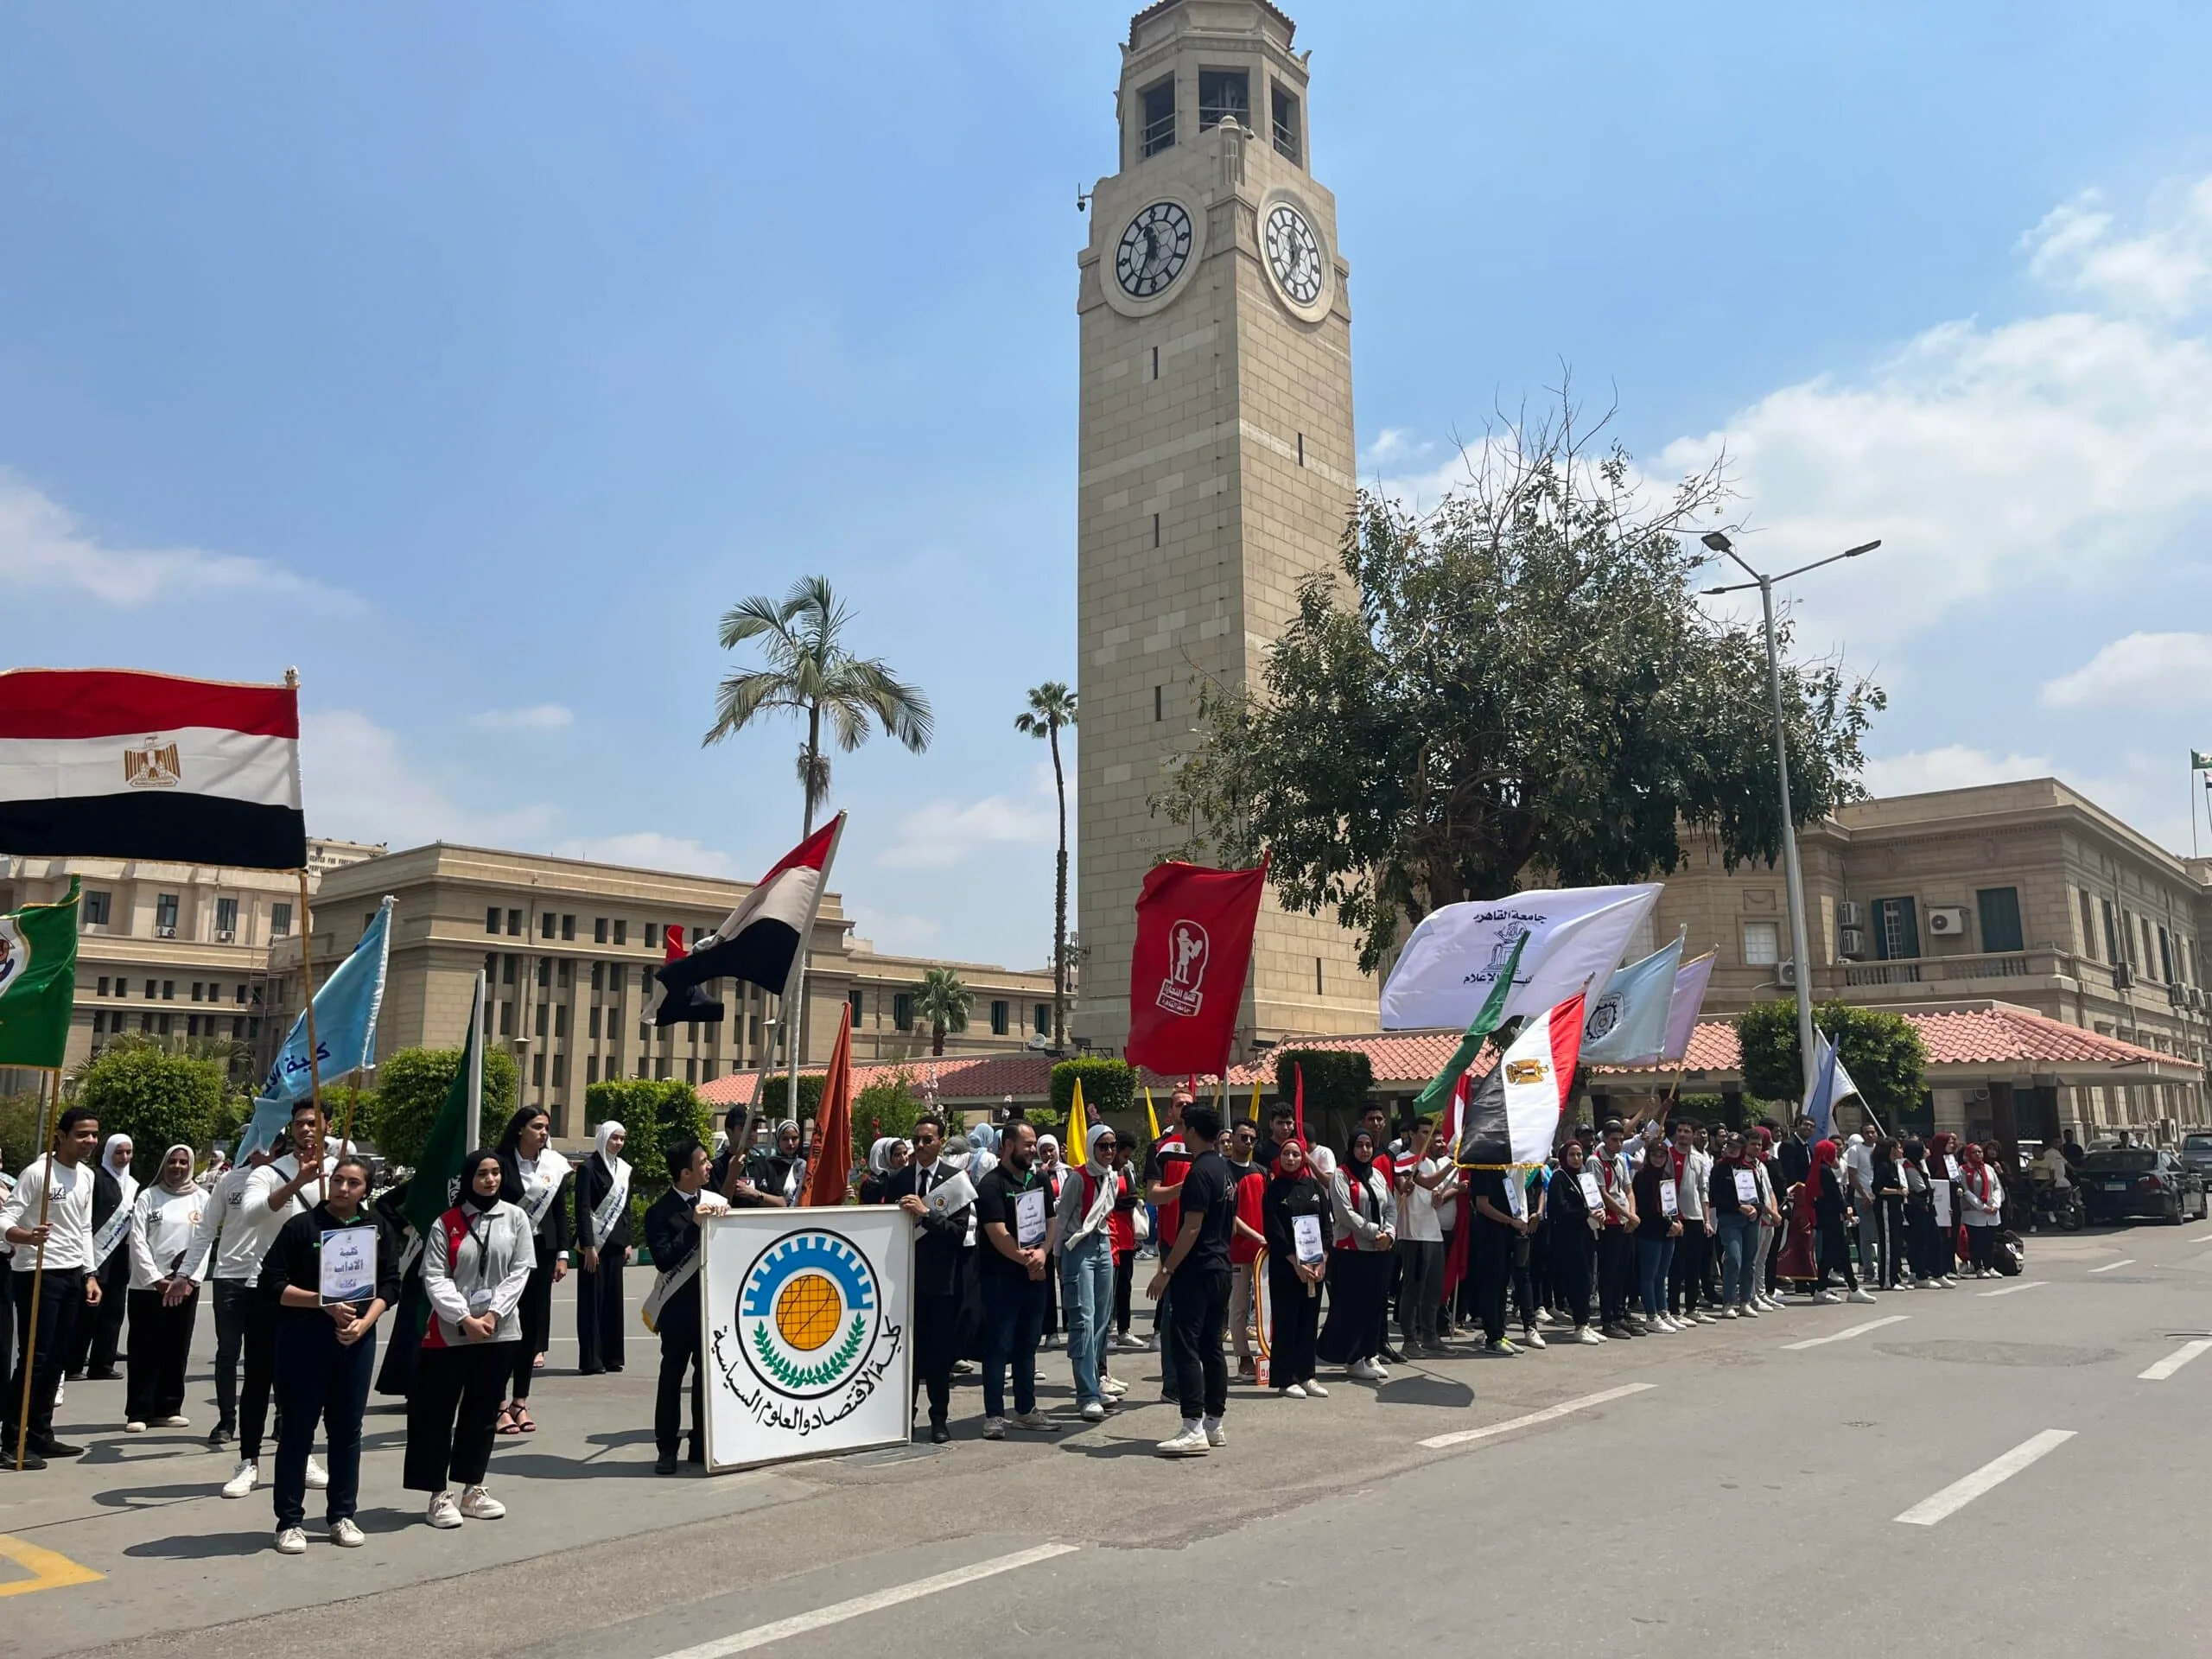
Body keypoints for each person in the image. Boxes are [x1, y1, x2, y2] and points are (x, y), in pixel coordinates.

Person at [258, 1154, 399, 1554]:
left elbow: (391, 1284)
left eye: (353, 1183)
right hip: (303, 1344)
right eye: (338, 1180)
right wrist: (323, 1303)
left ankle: (341, 1515)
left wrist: (363, 1323)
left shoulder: (376, 1229)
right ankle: (289, 1521)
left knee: (347, 1432)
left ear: (365, 1190)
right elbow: (272, 1284)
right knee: (298, 1433)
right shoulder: (302, 1227)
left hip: (354, 1343)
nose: (343, 1188)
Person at [212, 1103, 340, 1498]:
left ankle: (301, 1455)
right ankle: (248, 1460)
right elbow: (250, 1215)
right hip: (271, 1289)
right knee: (259, 1379)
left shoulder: (338, 1171)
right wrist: (296, 1183)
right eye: (300, 1123)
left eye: (313, 1124)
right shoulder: (267, 1173)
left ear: (327, 1128)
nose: (306, 1130)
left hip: (321, 1294)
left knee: (304, 1383)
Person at [409, 1148, 533, 1529]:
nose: (491, 1180)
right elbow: (434, 1277)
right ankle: (437, 1495)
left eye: (496, 1173)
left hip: (499, 1331)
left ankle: (472, 1488)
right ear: (468, 1180)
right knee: (436, 1413)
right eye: (482, 1174)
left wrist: (493, 1315)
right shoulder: (446, 1223)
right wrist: (464, 1317)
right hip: (450, 1334)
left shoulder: (516, 1218)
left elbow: (520, 1270)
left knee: (481, 1414)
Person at [1, 1107, 105, 1469]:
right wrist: (26, 1237)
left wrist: (90, 1274)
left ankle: (41, 1435)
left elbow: (83, 1228)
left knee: (59, 1360)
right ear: (60, 1136)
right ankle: (11, 1440)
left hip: (72, 1274)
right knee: (36, 1359)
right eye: (81, 1134)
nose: (89, 1141)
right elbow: (4, 1218)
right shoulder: (37, 1173)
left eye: (93, 1135)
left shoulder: (88, 1177)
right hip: (37, 1272)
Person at [1147, 1104, 1235, 1457]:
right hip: (1220, 1268)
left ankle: (1193, 1424)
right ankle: (1214, 1423)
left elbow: (1192, 1226)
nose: (1181, 1133)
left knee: (1185, 1346)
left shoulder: (1200, 1171)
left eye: (1185, 1127)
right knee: (1212, 1348)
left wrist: (1166, 1270)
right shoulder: (1224, 1169)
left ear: (1195, 1131)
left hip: (1197, 1270)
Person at [881, 1113, 974, 1443]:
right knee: (906, 1354)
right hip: (903, 1280)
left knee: (938, 1356)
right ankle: (905, 1417)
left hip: (940, 1281)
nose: (919, 1146)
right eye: (916, 1140)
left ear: (940, 1142)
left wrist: (927, 1214)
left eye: (927, 1140)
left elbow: (958, 1233)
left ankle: (939, 1419)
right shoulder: (899, 1179)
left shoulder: (955, 1181)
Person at [644, 1139, 725, 1474]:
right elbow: (664, 1261)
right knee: (672, 1379)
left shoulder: (715, 1201)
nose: (709, 1167)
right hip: (678, 1311)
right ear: (684, 1172)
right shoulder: (659, 1212)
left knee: (706, 1378)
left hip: (711, 1306)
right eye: (703, 1162)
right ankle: (666, 1448)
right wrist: (692, 1224)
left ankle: (701, 1441)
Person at [974, 1121, 1058, 1440]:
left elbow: (1052, 1221)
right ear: (1008, 1146)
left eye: (1034, 1143)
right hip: (1002, 1278)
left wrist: (1043, 1254)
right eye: (1027, 1144)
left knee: (1028, 1345)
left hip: (1035, 1276)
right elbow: (996, 1232)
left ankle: (1025, 1409)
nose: (1032, 1149)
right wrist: (1025, 1258)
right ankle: (994, 1415)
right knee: (998, 1346)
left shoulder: (1038, 1179)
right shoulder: (992, 1185)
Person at [493, 1106, 570, 1435]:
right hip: (504, 1253)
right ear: (520, 1129)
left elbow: (561, 1213)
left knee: (530, 1329)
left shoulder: (553, 1165)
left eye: (546, 1127)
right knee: (502, 1326)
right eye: (537, 1126)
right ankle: (497, 1404)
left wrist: (563, 1254)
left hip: (541, 1252)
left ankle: (520, 1401)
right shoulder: (498, 1163)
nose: (543, 1132)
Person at [124, 1146, 207, 1431]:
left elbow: (204, 1243)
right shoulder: (149, 1196)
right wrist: (156, 1279)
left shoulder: (202, 1198)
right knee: (144, 1349)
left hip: (184, 1287)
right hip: (148, 1288)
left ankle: (169, 1406)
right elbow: (137, 1241)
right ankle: (139, 1410)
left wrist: (190, 1280)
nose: (178, 1167)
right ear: (164, 1164)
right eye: (172, 1161)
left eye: (184, 1162)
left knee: (176, 1346)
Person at [1046, 1122, 1121, 1422]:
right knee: (1083, 1320)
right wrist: (1057, 1255)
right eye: (1103, 1146)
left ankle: (1096, 1381)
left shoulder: (1112, 1176)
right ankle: (1086, 1394)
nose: (1109, 1151)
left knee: (1103, 1320)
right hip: (1079, 1247)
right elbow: (1062, 1217)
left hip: (1103, 1246)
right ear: (1091, 1147)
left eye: (1112, 1146)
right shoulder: (1078, 1178)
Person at [1316, 1130, 1396, 1382]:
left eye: (1369, 1145)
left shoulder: (1378, 1175)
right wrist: (1375, 1232)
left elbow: (1391, 1207)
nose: (1365, 1150)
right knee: (1352, 1306)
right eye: (1360, 1145)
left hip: (1379, 1250)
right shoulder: (1340, 1175)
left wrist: (1390, 1233)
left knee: (1375, 1304)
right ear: (1351, 1148)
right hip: (1351, 1251)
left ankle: (1369, 1352)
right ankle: (1353, 1358)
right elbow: (1343, 1213)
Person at [1261, 1139, 1331, 1395]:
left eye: (1295, 1154)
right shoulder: (1274, 1189)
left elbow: (1325, 1225)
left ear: (1303, 1158)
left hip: (1315, 1268)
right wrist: (1295, 1261)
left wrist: (1322, 1257)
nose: (1291, 1159)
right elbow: (1274, 1231)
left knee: (1309, 1320)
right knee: (1286, 1321)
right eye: (1286, 1154)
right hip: (1287, 1267)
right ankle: (1285, 1378)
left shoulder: (1313, 1187)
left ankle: (1307, 1375)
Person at [66, 1132, 136, 1381]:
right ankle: (73, 1364)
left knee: (114, 1311)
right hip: (96, 1254)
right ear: (107, 1153)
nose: (124, 1157)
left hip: (120, 1257)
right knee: (87, 1312)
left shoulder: (131, 1184)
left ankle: (103, 1363)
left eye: (128, 1152)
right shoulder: (95, 1178)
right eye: (119, 1152)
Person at [573, 1120, 632, 1377]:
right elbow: (582, 1208)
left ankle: (612, 1356)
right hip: (593, 1247)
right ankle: (591, 1359)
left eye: (621, 1138)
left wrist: (628, 1240)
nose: (618, 1143)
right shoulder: (588, 1168)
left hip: (616, 1245)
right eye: (614, 1138)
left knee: (613, 1302)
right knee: (592, 1304)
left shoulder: (624, 1170)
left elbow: (626, 1209)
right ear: (603, 1137)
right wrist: (588, 1245)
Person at [1392, 1116, 1455, 1356]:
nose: (1427, 1137)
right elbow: (1426, 1184)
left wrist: (1439, 1198)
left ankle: (1430, 1335)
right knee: (1413, 1288)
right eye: (1423, 1132)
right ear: (1411, 1133)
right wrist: (1453, 1164)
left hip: (1433, 1231)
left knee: (1433, 1288)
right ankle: (1409, 1340)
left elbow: (1432, 1195)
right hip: (1412, 1232)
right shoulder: (1402, 1160)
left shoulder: (1429, 1162)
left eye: (1430, 1132)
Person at [1141, 1092, 1192, 1376]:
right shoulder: (1160, 1147)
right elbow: (1153, 1195)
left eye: (1189, 1104)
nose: (1184, 1109)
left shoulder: (1205, 1146)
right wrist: (1182, 1189)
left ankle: (1192, 1375)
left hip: (1203, 1240)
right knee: (1173, 1312)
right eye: (1179, 1105)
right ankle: (1172, 1382)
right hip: (1172, 1240)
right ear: (1170, 1111)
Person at [1464, 1154, 1523, 1357]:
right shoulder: (1483, 1168)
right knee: (1491, 1284)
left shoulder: (1501, 1169)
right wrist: (1509, 1220)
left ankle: (1500, 1331)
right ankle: (1493, 1336)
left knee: (1501, 1285)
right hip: (1490, 1235)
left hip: (1505, 1235)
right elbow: (1483, 1205)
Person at [1545, 1138, 1604, 1343]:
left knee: (1588, 1278)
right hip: (1568, 1237)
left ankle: (1585, 1322)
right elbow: (1559, 1209)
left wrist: (1599, 1212)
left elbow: (1595, 1201)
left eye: (1579, 1154)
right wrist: (1585, 1213)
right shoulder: (1559, 1178)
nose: (1577, 1158)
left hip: (1586, 1232)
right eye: (1572, 1155)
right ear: (1564, 1157)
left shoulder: (1584, 1177)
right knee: (1578, 1279)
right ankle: (1579, 1325)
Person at [1223, 1120, 1269, 1379]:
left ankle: (1267, 1354)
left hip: (1263, 1254)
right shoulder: (1223, 1171)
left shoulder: (1261, 1172)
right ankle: (1243, 1358)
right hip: (1237, 1252)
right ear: (1233, 1138)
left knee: (1265, 1307)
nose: (1247, 1142)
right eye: (1242, 1137)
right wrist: (1257, 1236)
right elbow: (1229, 1217)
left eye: (1252, 1138)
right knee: (1239, 1308)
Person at [1808, 1140, 1877, 1304]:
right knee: (1832, 1254)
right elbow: (1834, 1196)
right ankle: (1822, 1289)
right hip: (1831, 1218)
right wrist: (1846, 1209)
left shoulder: (1819, 1168)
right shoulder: (1824, 1171)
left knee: (1841, 1253)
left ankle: (1851, 1288)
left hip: (1828, 1218)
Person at [1667, 1122, 1717, 1325]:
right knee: (1676, 1266)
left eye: (1687, 1131)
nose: (1683, 1135)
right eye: (1680, 1131)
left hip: (1695, 1217)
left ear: (1694, 1135)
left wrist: (1706, 1220)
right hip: (1676, 1218)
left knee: (1694, 1266)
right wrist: (1671, 1217)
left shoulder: (1699, 1159)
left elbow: (1702, 1190)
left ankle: (1691, 1308)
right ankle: (1673, 1310)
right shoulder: (1668, 1155)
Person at [1707, 1132, 1760, 1319]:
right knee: (1734, 1259)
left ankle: (1745, 1301)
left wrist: (1756, 1209)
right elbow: (1716, 1196)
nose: (1731, 1149)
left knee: (1749, 1261)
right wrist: (1739, 1207)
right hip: (1729, 1219)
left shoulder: (1749, 1168)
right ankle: (1728, 1302)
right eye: (1728, 1145)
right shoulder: (1719, 1168)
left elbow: (1758, 1194)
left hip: (1751, 1220)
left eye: (1735, 1147)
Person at [1594, 1121, 1639, 1338]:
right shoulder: (1595, 1160)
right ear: (1605, 1139)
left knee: (1625, 1271)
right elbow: (1603, 1193)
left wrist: (1632, 1214)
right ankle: (1607, 1319)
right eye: (1614, 1140)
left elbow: (1628, 1189)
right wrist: (1626, 1214)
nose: (1619, 1143)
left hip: (1625, 1221)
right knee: (1609, 1273)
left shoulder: (1621, 1160)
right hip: (1609, 1223)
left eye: (1621, 1140)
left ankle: (1620, 1314)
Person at [1630, 1141, 1681, 1332]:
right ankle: (1651, 1316)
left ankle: (1663, 1311)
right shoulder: (1642, 1177)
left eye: (1662, 1155)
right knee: (1649, 1276)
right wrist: (1670, 1224)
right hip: (1649, 1232)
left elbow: (1671, 1204)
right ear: (1649, 1156)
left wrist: (1676, 1222)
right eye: (1655, 1155)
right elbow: (1647, 1209)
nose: (1659, 1159)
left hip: (1668, 1232)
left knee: (1662, 1275)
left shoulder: (1667, 1175)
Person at [1958, 1141, 2006, 1276]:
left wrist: (1996, 1204)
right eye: (1975, 1152)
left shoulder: (1988, 1168)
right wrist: (1982, 1206)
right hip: (1974, 1212)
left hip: (1992, 1211)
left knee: (1989, 1240)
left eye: (1980, 1152)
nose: (1978, 1154)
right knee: (1976, 1241)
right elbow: (1966, 1192)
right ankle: (1978, 1267)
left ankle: (1990, 1266)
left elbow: (1996, 1187)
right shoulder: (1963, 1170)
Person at [1843, 1132, 1881, 1288]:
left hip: (1880, 1195)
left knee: (1881, 1236)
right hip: (1862, 1197)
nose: (1870, 1135)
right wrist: (1864, 1194)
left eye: (1873, 1132)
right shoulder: (1855, 1151)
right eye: (1867, 1132)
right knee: (1866, 1236)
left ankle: (1884, 1268)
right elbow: (1852, 1175)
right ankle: (1868, 1270)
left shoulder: (1879, 1149)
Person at [1873, 1136, 1909, 1291]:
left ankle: (1894, 1275)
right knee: (1888, 1243)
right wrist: (1898, 1192)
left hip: (1895, 1208)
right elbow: (1878, 1188)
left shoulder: (1894, 1165)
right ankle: (1887, 1280)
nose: (1901, 1150)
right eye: (1899, 1147)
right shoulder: (1883, 1166)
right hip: (1885, 1207)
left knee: (1896, 1243)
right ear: (1892, 1149)